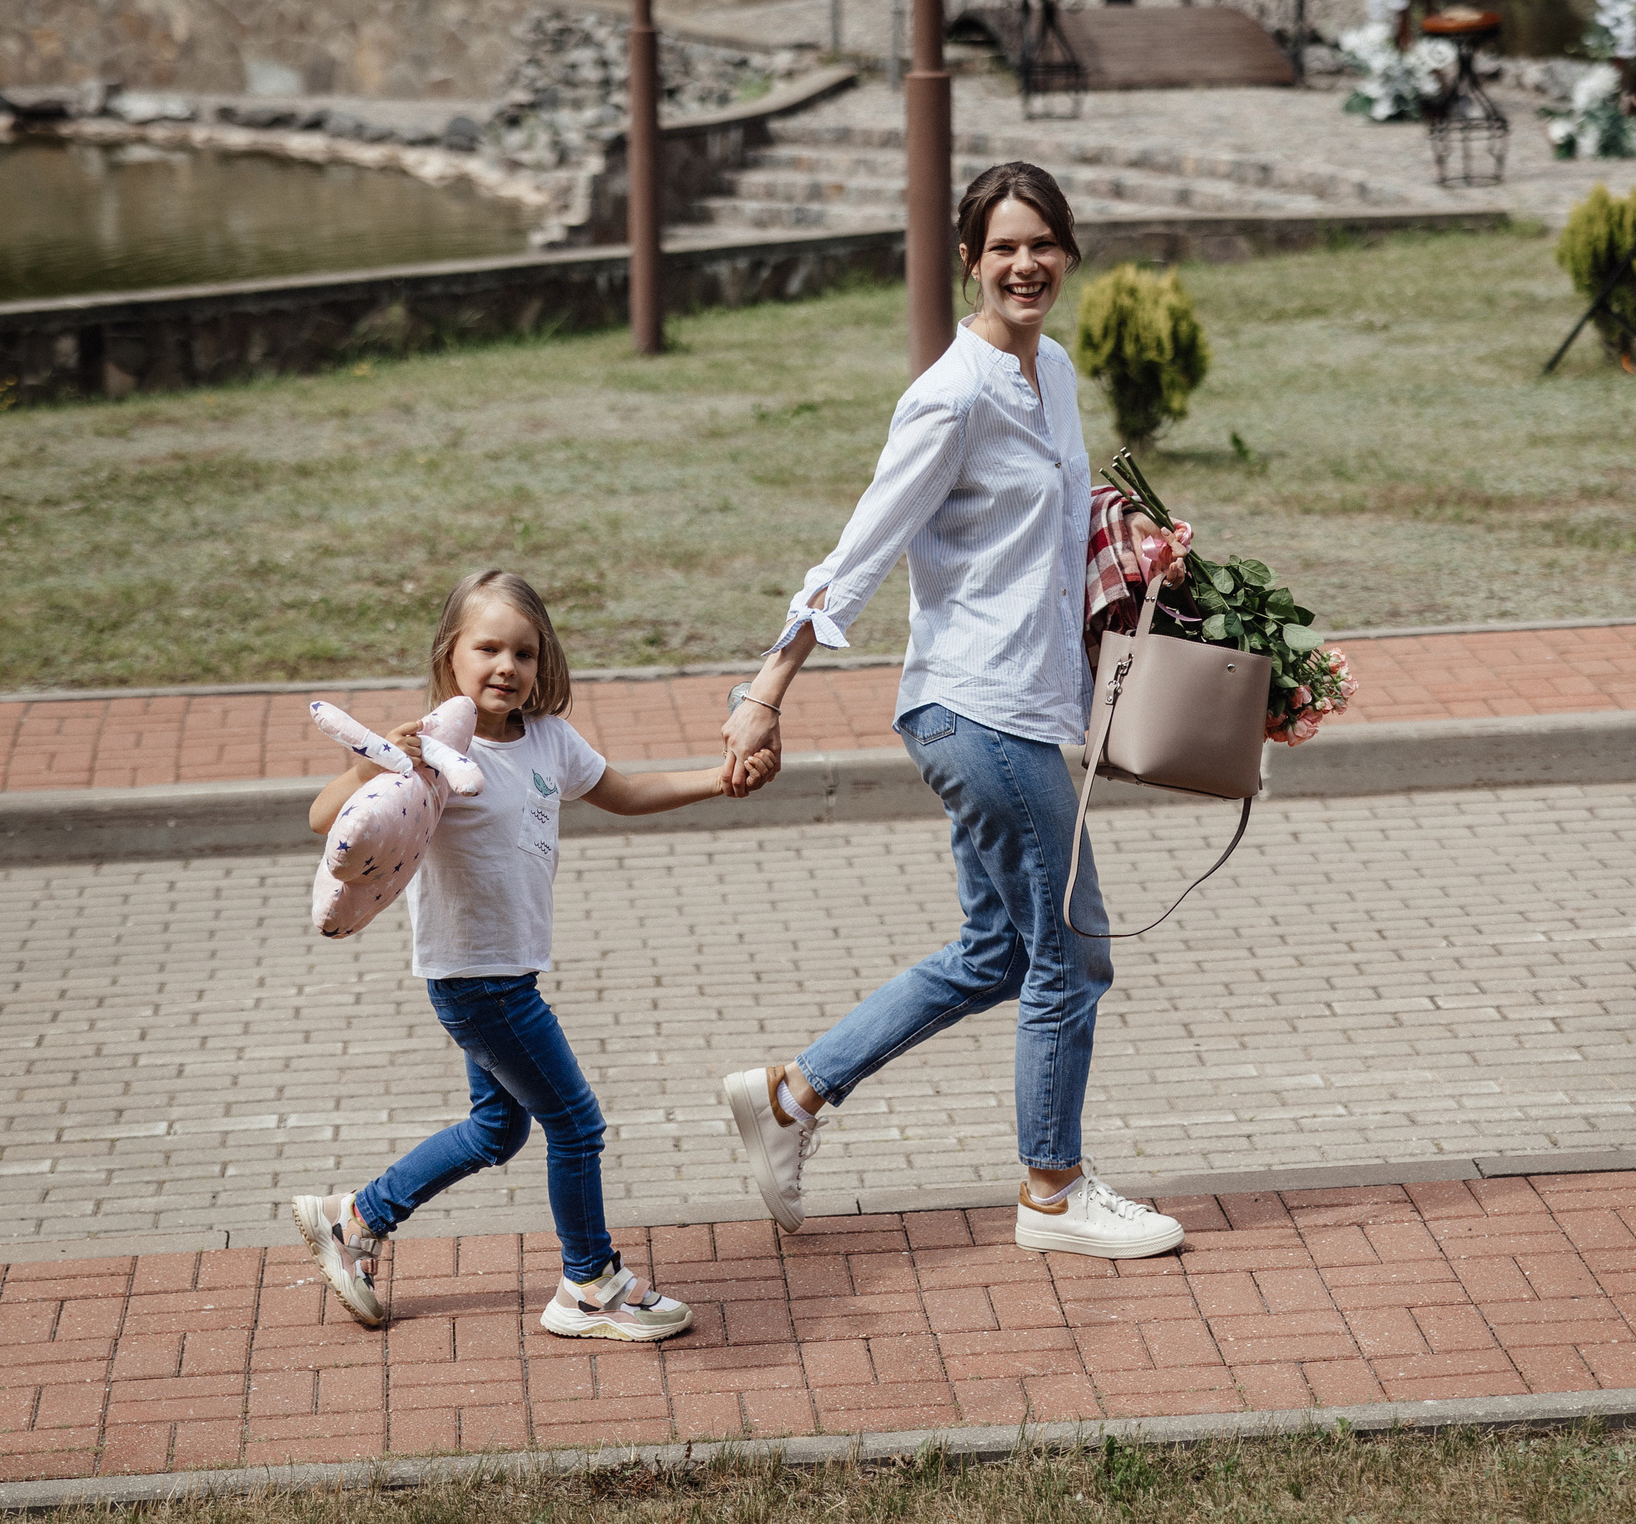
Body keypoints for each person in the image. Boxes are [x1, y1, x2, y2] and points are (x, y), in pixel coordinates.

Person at [715, 163, 1187, 1262]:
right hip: (974, 710)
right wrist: (765, 688)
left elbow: (1055, 518)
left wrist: (1142, 542)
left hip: (1022, 703)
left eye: (1044, 245)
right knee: (1069, 952)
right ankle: (1052, 1191)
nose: (1025, 265)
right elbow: (861, 549)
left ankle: (791, 1097)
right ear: (969, 261)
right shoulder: (952, 392)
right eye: (1003, 248)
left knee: (994, 952)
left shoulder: (1051, 370)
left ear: (1067, 254)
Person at [292, 569, 777, 1340]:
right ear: (451, 653)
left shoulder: (547, 737)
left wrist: (718, 782)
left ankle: (355, 1214)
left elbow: (622, 790)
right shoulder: (431, 750)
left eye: (524, 650)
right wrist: (368, 762)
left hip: (510, 970)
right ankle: (589, 1281)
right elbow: (327, 815)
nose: (506, 666)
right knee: (576, 1124)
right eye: (488, 647)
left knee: (498, 1130)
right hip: (473, 980)